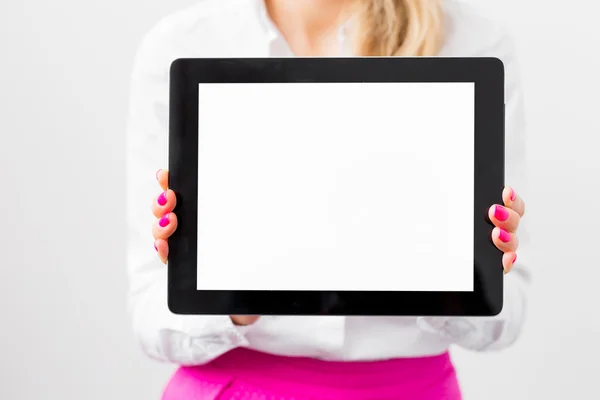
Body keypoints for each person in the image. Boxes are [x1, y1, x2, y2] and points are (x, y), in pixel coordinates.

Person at [126, 0, 530, 398]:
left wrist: (445, 269)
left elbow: (504, 319)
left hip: (408, 390)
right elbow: (151, 318)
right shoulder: (184, 43)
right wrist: (239, 296)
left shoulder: (472, 41)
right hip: (233, 389)